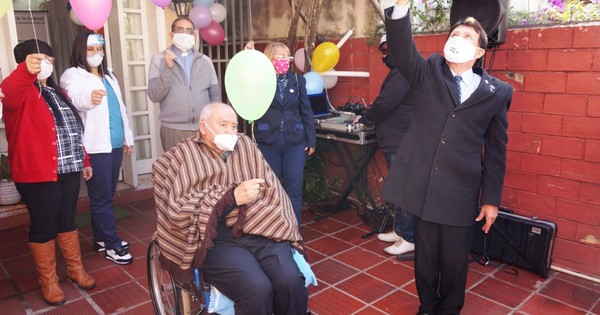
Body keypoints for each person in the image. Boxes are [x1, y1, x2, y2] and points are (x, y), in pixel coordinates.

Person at [381, 1, 512, 314]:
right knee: (425, 259)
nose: (459, 39)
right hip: (424, 188)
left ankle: (450, 308)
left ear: (480, 52)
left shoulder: (498, 92)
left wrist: (491, 200)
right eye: (455, 33)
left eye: (468, 36)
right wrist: (400, 8)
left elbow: (496, 151)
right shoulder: (428, 72)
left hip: (460, 192)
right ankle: (427, 307)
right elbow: (401, 50)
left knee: (454, 262)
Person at [152, 103, 308, 315]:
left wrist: (258, 201)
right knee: (257, 289)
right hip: (216, 238)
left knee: (291, 283)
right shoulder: (184, 154)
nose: (230, 131)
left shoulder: (246, 145)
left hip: (259, 225)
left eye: (234, 126)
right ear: (204, 127)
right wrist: (231, 197)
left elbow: (270, 187)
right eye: (223, 124)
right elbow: (178, 205)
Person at [0, 39, 96, 306]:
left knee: (66, 219)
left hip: (68, 167)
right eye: (37, 59)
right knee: (44, 224)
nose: (45, 64)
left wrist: (84, 159)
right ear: (24, 62)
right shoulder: (17, 91)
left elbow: (71, 129)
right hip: (37, 171)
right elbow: (9, 89)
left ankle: (75, 270)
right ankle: (49, 281)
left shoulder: (57, 92)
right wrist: (24, 72)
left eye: (49, 60)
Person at [61, 30, 134, 265]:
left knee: (106, 196)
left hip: (113, 143)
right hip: (95, 147)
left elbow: (119, 108)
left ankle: (102, 239)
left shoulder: (109, 74)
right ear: (80, 51)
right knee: (101, 198)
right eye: (90, 49)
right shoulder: (72, 75)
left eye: (99, 49)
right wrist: (89, 98)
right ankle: (112, 245)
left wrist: (127, 138)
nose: (96, 54)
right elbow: (76, 97)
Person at [352, 34, 416, 256]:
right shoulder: (398, 71)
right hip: (394, 140)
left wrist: (366, 118)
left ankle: (409, 237)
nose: (386, 55)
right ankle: (400, 230)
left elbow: (385, 102)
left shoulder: (404, 72)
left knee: (403, 189)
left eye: (389, 49)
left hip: (401, 140)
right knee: (398, 188)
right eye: (383, 51)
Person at [246, 41, 316, 224]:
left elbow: (306, 111)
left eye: (288, 57)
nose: (286, 60)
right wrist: (250, 59)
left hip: (295, 142)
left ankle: (293, 231)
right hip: (268, 141)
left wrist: (311, 140)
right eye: (281, 56)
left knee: (294, 189)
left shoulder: (297, 81)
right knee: (271, 188)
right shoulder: (260, 80)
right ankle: (274, 228)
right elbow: (245, 89)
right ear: (270, 59)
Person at [147, 17, 222, 151]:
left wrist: (215, 124)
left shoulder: (205, 61)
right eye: (180, 30)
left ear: (194, 35)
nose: (185, 34)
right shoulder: (159, 59)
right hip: (173, 130)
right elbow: (154, 95)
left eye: (189, 31)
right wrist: (167, 69)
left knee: (206, 170)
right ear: (172, 34)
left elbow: (215, 96)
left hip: (203, 129)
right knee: (177, 171)